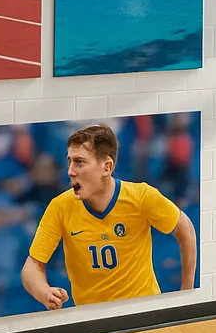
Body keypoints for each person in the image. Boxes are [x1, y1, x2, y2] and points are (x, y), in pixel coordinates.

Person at [20, 124, 197, 310]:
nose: (70, 171)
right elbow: (31, 266)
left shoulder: (142, 196)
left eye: (79, 162)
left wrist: (186, 291)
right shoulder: (60, 207)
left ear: (107, 167)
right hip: (91, 320)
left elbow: (186, 229)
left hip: (143, 313)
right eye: (69, 161)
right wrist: (44, 292)